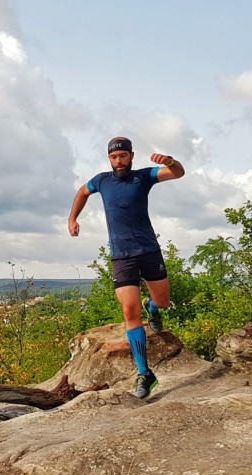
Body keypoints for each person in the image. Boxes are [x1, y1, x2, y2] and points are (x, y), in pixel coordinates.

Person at [67, 136, 185, 399]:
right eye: (113, 157)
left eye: (122, 156)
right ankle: (144, 373)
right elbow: (82, 192)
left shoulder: (144, 177)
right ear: (109, 159)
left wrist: (170, 161)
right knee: (128, 310)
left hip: (148, 251)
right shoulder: (102, 180)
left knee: (163, 302)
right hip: (121, 256)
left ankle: (152, 307)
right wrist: (73, 218)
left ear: (131, 155)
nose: (118, 161)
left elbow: (178, 173)